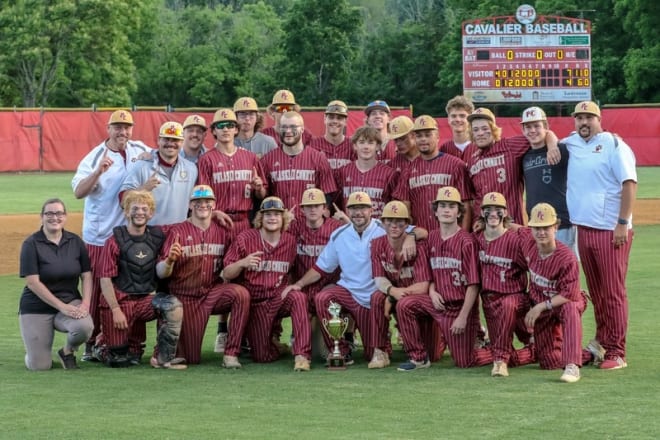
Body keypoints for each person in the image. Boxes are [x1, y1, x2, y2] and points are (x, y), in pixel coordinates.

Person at [283, 192, 428, 368]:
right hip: (348, 291)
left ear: (371, 210)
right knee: (323, 297)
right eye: (353, 209)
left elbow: (422, 231)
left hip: (375, 292)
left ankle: (380, 348)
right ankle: (338, 351)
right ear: (347, 211)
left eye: (362, 208)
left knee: (370, 353)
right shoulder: (339, 234)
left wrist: (411, 236)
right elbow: (321, 267)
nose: (358, 213)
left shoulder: (384, 227)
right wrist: (298, 284)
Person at [71, 109, 151, 361]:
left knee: (127, 288)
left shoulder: (140, 149)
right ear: (108, 128)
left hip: (128, 235)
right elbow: (78, 192)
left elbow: (163, 155)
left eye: (126, 127)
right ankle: (90, 343)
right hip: (99, 234)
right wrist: (97, 173)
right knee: (95, 291)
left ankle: (122, 341)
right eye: (117, 127)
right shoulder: (95, 156)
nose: (122, 132)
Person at [563, 101, 637, 370]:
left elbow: (629, 183)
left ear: (599, 119)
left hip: (610, 229)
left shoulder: (614, 144)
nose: (583, 122)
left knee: (613, 291)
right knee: (597, 291)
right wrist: (549, 142)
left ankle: (617, 352)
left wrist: (622, 223)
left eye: (588, 118)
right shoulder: (572, 143)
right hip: (584, 227)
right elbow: (550, 138)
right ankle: (602, 340)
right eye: (579, 118)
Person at [396, 187, 492, 370]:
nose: (447, 210)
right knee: (405, 304)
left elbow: (474, 285)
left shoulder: (467, 241)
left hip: (459, 307)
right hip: (437, 304)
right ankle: (419, 358)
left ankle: (499, 350)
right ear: (435, 211)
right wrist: (432, 292)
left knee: (465, 361)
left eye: (451, 206)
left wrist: (463, 317)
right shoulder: (431, 238)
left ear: (458, 212)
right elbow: (429, 276)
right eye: (442, 206)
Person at [156, 185, 250, 368]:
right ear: (190, 205)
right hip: (184, 297)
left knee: (241, 294)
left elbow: (231, 264)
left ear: (214, 205)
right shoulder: (177, 231)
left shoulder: (223, 232)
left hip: (211, 292)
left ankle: (231, 354)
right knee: (190, 358)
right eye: (198, 202)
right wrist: (169, 262)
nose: (203, 205)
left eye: (207, 202)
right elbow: (160, 271)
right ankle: (163, 349)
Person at [96, 190, 186, 369]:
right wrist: (115, 310)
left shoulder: (157, 235)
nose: (140, 212)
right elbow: (105, 279)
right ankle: (102, 345)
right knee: (119, 360)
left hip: (144, 299)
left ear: (151, 213)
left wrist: (212, 213)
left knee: (171, 306)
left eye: (145, 209)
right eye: (135, 208)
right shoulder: (114, 241)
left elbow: (185, 224)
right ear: (126, 212)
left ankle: (161, 357)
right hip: (119, 300)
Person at [223, 197, 312, 371]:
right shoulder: (246, 238)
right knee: (262, 356)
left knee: (299, 298)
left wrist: (294, 284)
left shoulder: (290, 241)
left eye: (277, 214)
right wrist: (242, 263)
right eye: (268, 214)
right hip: (256, 302)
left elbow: (295, 270)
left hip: (279, 296)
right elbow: (226, 273)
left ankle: (302, 355)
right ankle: (273, 345)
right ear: (260, 218)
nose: (272, 218)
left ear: (283, 218)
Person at [18, 198, 94, 370]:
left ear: (65, 216)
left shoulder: (75, 241)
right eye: (49, 213)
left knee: (84, 326)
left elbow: (86, 275)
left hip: (69, 300)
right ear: (42, 217)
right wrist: (62, 307)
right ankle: (34, 352)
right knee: (39, 366)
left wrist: (85, 303)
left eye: (59, 213)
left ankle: (67, 351)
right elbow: (33, 283)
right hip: (36, 306)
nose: (54, 217)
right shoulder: (31, 244)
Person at [369, 201, 442, 370]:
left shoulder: (418, 245)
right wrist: (391, 291)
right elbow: (378, 278)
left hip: (420, 301)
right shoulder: (377, 244)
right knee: (376, 297)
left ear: (407, 224)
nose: (394, 226)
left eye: (399, 222)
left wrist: (395, 296)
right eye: (389, 221)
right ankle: (381, 350)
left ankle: (425, 348)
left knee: (435, 354)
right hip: (397, 295)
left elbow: (423, 285)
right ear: (382, 223)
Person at [522, 203, 587, 383]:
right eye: (536, 228)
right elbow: (514, 229)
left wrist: (539, 307)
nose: (541, 232)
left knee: (571, 308)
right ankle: (587, 355)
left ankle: (573, 365)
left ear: (556, 227)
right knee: (548, 362)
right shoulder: (528, 243)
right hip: (542, 303)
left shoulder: (567, 258)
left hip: (565, 299)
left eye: (546, 228)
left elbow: (570, 294)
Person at [474, 192, 536, 377]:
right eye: (488, 210)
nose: (493, 214)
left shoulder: (515, 240)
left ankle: (500, 361)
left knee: (508, 306)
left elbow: (533, 268)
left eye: (498, 210)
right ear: (482, 212)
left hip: (515, 300)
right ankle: (533, 350)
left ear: (505, 213)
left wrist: (536, 302)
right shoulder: (476, 239)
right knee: (516, 357)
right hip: (490, 303)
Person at [466, 107, 559, 225]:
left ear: (494, 129)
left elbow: (540, 134)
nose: (480, 133)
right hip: (483, 226)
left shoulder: (510, 146)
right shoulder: (472, 160)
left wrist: (552, 146)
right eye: (476, 129)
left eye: (485, 128)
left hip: (511, 225)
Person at [392, 115, 473, 231]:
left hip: (450, 236)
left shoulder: (456, 165)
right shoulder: (408, 170)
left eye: (428, 135)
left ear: (437, 137)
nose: (423, 139)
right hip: (421, 237)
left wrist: (463, 236)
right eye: (419, 136)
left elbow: (466, 204)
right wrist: (410, 235)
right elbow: (405, 209)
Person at [197, 108, 268, 233]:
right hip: (216, 222)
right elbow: (202, 196)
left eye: (230, 125)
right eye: (221, 126)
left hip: (244, 222)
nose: (225, 129)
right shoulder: (206, 159)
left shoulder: (250, 157)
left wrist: (259, 188)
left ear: (236, 129)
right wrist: (213, 213)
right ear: (214, 130)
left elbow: (262, 195)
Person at [120, 121, 198, 225]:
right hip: (148, 234)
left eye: (175, 140)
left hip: (178, 233)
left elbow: (195, 204)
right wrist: (143, 189)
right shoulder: (142, 166)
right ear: (158, 140)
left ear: (182, 142)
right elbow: (123, 201)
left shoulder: (191, 168)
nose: (170, 144)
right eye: (166, 139)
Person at [520, 106, 575, 250]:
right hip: (536, 225)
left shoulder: (561, 149)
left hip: (560, 223)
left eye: (537, 126)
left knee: (564, 266)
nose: (532, 130)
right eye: (528, 127)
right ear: (523, 130)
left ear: (545, 126)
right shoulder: (523, 155)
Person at [260, 111, 337, 214]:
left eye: (293, 127)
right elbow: (262, 195)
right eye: (284, 127)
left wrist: (324, 211)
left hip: (309, 222)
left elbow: (328, 192)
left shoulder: (318, 158)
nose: (288, 131)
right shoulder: (268, 159)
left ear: (302, 129)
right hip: (280, 223)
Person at [335, 126, 396, 218]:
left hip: (379, 229)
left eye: (371, 143)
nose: (366, 147)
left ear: (378, 146)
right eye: (362, 142)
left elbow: (395, 206)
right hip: (349, 228)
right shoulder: (342, 172)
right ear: (355, 145)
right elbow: (335, 203)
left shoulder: (389, 174)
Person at [309, 100, 354, 171]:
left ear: (345, 121)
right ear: (325, 119)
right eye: (331, 117)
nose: (335, 121)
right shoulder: (313, 145)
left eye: (339, 118)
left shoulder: (353, 145)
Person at [439, 95, 475, 162]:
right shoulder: (444, 149)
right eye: (453, 116)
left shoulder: (479, 146)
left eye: (462, 116)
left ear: (470, 119)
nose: (458, 119)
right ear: (448, 119)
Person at [364, 100, 396, 164]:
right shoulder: (361, 143)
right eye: (373, 114)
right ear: (368, 120)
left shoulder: (397, 141)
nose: (378, 116)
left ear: (388, 118)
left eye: (382, 113)